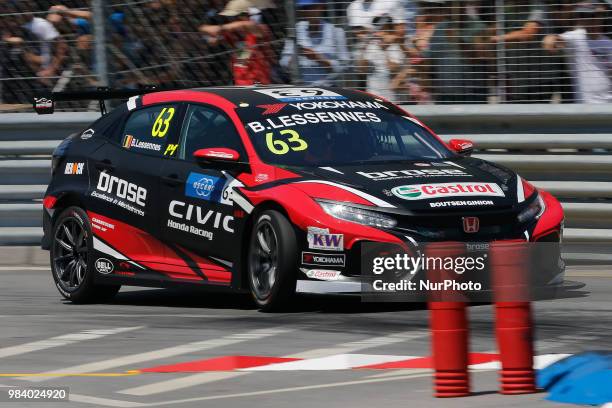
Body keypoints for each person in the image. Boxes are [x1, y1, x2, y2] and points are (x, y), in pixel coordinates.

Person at [543, 2, 612, 103]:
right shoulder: (575, 37)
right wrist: (550, 39)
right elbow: (556, 39)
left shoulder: (608, 43)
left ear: (600, 17)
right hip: (585, 106)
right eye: (583, 16)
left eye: (591, 15)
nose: (588, 20)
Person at [490, 0, 554, 103]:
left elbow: (528, 33)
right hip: (516, 79)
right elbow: (494, 29)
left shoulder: (537, 6)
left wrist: (497, 38)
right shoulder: (508, 9)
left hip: (538, 80)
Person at [199, 0, 273, 85]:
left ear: (244, 16)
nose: (231, 20)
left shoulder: (260, 29)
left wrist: (221, 28)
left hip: (258, 81)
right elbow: (212, 40)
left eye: (235, 17)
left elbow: (247, 24)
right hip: (239, 81)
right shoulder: (233, 33)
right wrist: (211, 30)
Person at [280, 0, 349, 86]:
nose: (307, 12)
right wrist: (295, 56)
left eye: (311, 7)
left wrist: (319, 59)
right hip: (301, 88)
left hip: (329, 88)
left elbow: (345, 66)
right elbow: (283, 62)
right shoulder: (296, 31)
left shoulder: (336, 32)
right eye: (304, 8)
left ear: (321, 7)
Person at [357, 15, 403, 101]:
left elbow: (393, 68)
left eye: (381, 28)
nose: (377, 31)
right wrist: (364, 49)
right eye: (377, 28)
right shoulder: (371, 45)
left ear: (389, 29)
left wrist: (385, 50)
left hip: (391, 99)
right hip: (372, 97)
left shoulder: (395, 46)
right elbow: (362, 69)